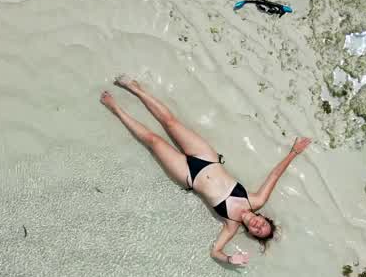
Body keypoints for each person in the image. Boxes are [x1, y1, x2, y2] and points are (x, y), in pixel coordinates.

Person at [101, 76, 311, 266]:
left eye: (258, 231)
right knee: (170, 122)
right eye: (263, 224)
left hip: (188, 176)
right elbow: (274, 175)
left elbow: (214, 252)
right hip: (207, 158)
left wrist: (229, 258)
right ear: (264, 218)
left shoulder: (231, 226)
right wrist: (293, 152)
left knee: (153, 141)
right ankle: (136, 89)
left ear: (252, 233)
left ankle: (116, 109)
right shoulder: (256, 200)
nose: (257, 225)